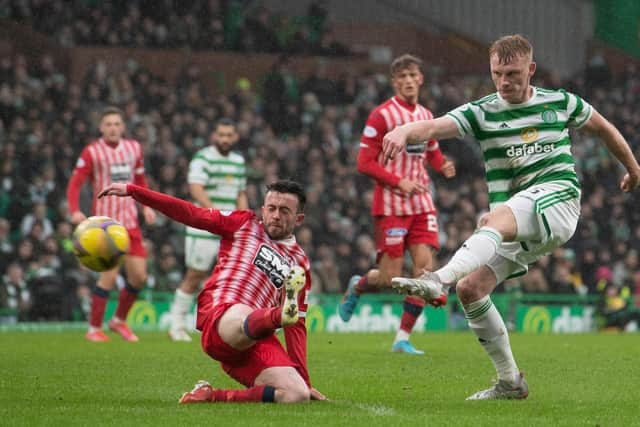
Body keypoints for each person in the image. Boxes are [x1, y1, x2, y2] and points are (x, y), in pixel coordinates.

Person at [383, 34, 640, 399]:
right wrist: (404, 129)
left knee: (493, 219)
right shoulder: (483, 111)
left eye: (513, 73)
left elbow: (603, 129)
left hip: (559, 198)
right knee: (470, 289)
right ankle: (510, 381)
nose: (504, 81)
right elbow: (435, 126)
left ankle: (436, 279)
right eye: (498, 73)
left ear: (531, 70)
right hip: (517, 220)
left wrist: (633, 169)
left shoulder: (561, 102)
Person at [98, 179, 326, 403]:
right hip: (222, 318)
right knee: (250, 314)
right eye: (272, 208)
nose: (276, 216)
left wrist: (305, 382)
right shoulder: (243, 223)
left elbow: (296, 326)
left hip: (253, 342)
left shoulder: (299, 263)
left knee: (296, 395)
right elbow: (191, 213)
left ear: (299, 219)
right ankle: (277, 315)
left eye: (285, 211)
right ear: (263, 209)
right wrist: (135, 191)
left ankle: (211, 396)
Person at [338, 54, 455, 355]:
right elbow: (363, 163)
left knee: (424, 274)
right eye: (401, 76)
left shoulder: (427, 115)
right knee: (390, 278)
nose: (407, 80)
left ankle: (402, 338)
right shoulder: (381, 116)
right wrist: (397, 181)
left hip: (422, 204)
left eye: (412, 75)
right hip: (391, 206)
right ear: (394, 82)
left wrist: (443, 166)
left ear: (420, 79)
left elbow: (432, 152)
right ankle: (360, 285)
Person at [66, 106, 156, 342]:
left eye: (117, 124)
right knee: (107, 277)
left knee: (139, 277)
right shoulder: (92, 152)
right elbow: (75, 183)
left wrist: (146, 206)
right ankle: (94, 328)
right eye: (108, 124)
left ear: (123, 127)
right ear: (101, 128)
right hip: (104, 225)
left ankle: (118, 321)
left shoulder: (134, 148)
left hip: (130, 222)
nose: (113, 128)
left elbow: (140, 180)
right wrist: (75, 210)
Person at [168, 118, 248, 342]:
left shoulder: (238, 162)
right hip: (204, 227)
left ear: (235, 137)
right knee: (195, 275)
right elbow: (195, 188)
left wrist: (245, 219)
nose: (224, 139)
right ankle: (176, 323)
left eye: (228, 135)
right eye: (221, 134)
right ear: (214, 136)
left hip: (228, 229)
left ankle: (210, 323)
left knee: (227, 277)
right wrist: (215, 214)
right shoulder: (203, 158)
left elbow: (240, 192)